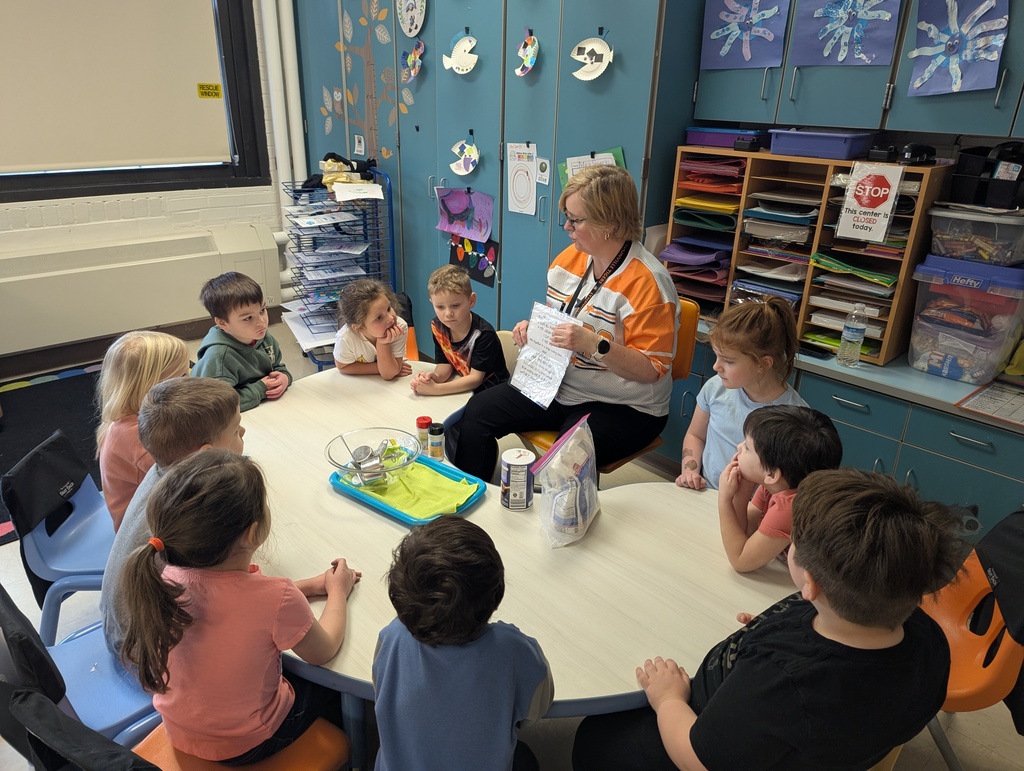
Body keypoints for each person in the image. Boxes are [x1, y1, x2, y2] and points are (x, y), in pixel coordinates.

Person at [572, 468, 966, 771]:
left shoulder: (787, 684)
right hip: (759, 718)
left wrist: (668, 700)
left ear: (810, 583)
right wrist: (772, 623)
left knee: (594, 738)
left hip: (698, 729)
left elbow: (699, 760)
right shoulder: (923, 633)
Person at [120, 450, 361, 764]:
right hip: (248, 744)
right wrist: (338, 592)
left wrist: (311, 586)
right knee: (334, 690)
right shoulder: (277, 597)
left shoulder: (161, 577)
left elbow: (242, 603)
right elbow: (324, 649)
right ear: (252, 532)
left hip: (180, 730)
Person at [449, 165, 679, 481]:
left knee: (563, 464)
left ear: (610, 223)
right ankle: (471, 500)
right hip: (561, 385)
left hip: (625, 407)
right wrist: (533, 331)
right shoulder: (569, 259)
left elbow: (651, 370)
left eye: (576, 219)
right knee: (477, 413)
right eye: (566, 216)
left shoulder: (649, 283)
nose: (567, 226)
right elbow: (560, 322)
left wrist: (594, 345)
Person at [373, 516, 553, 771]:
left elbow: (382, 690)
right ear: (497, 596)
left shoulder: (391, 638)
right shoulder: (514, 650)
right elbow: (537, 710)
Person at [100, 376, 244, 657]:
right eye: (236, 431)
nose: (244, 432)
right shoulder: (192, 510)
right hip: (148, 653)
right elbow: (231, 593)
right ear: (206, 455)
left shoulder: (166, 471)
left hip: (125, 630)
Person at [676, 297, 806, 492]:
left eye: (728, 361)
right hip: (708, 492)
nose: (716, 366)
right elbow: (695, 435)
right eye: (716, 356)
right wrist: (689, 470)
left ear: (764, 363)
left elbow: (786, 486)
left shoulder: (795, 416)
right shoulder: (715, 387)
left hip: (754, 509)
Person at [717, 405, 842, 572]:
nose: (739, 447)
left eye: (747, 447)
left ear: (771, 474)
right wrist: (742, 492)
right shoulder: (776, 485)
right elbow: (746, 534)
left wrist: (724, 500)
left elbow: (740, 560)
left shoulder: (790, 506)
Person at [95, 330, 190, 530]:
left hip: (153, 508)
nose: (189, 383)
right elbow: (184, 482)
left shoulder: (131, 415)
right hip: (142, 532)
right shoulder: (137, 436)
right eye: (181, 377)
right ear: (151, 385)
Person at [191, 271, 292, 411]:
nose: (261, 322)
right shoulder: (219, 357)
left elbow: (276, 366)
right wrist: (259, 389)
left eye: (262, 310)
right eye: (248, 318)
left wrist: (285, 377)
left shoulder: (262, 336)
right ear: (222, 323)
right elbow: (219, 406)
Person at [410, 264, 509, 396]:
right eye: (440, 307)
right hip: (464, 390)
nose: (448, 314)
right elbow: (445, 363)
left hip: (491, 393)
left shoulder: (483, 335)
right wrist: (434, 377)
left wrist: (436, 389)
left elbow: (475, 379)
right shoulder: (438, 326)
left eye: (455, 305)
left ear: (471, 300)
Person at [333, 278, 412, 380]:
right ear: (359, 327)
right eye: (379, 318)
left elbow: (389, 374)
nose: (391, 318)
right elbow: (342, 366)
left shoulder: (399, 327)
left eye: (388, 308)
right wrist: (380, 368)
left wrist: (383, 344)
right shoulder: (346, 338)